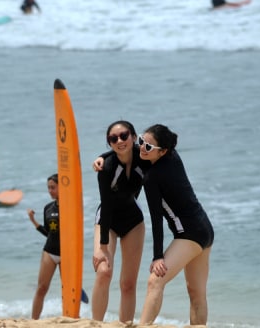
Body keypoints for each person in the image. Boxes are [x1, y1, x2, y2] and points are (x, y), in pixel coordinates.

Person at [137, 124, 214, 325]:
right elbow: (128, 152)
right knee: (197, 294)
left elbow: (156, 218)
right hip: (204, 229)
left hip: (189, 234)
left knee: (155, 281)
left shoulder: (152, 178)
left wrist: (157, 256)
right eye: (141, 141)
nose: (141, 148)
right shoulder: (173, 156)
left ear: (163, 151)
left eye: (147, 147)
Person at [91, 121, 150, 323]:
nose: (119, 141)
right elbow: (106, 205)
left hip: (134, 221)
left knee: (128, 284)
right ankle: (96, 324)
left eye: (124, 135)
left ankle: (126, 325)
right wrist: (102, 246)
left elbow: (162, 152)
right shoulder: (106, 167)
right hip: (107, 220)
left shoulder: (144, 159)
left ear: (133, 136)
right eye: (113, 139)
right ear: (109, 143)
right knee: (104, 271)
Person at [26, 174, 61, 319]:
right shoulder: (48, 208)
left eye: (53, 187)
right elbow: (49, 233)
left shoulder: (71, 206)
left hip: (68, 253)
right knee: (41, 288)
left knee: (68, 291)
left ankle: (71, 318)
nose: (50, 191)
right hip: (50, 252)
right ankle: (33, 321)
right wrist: (33, 221)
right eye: (48, 188)